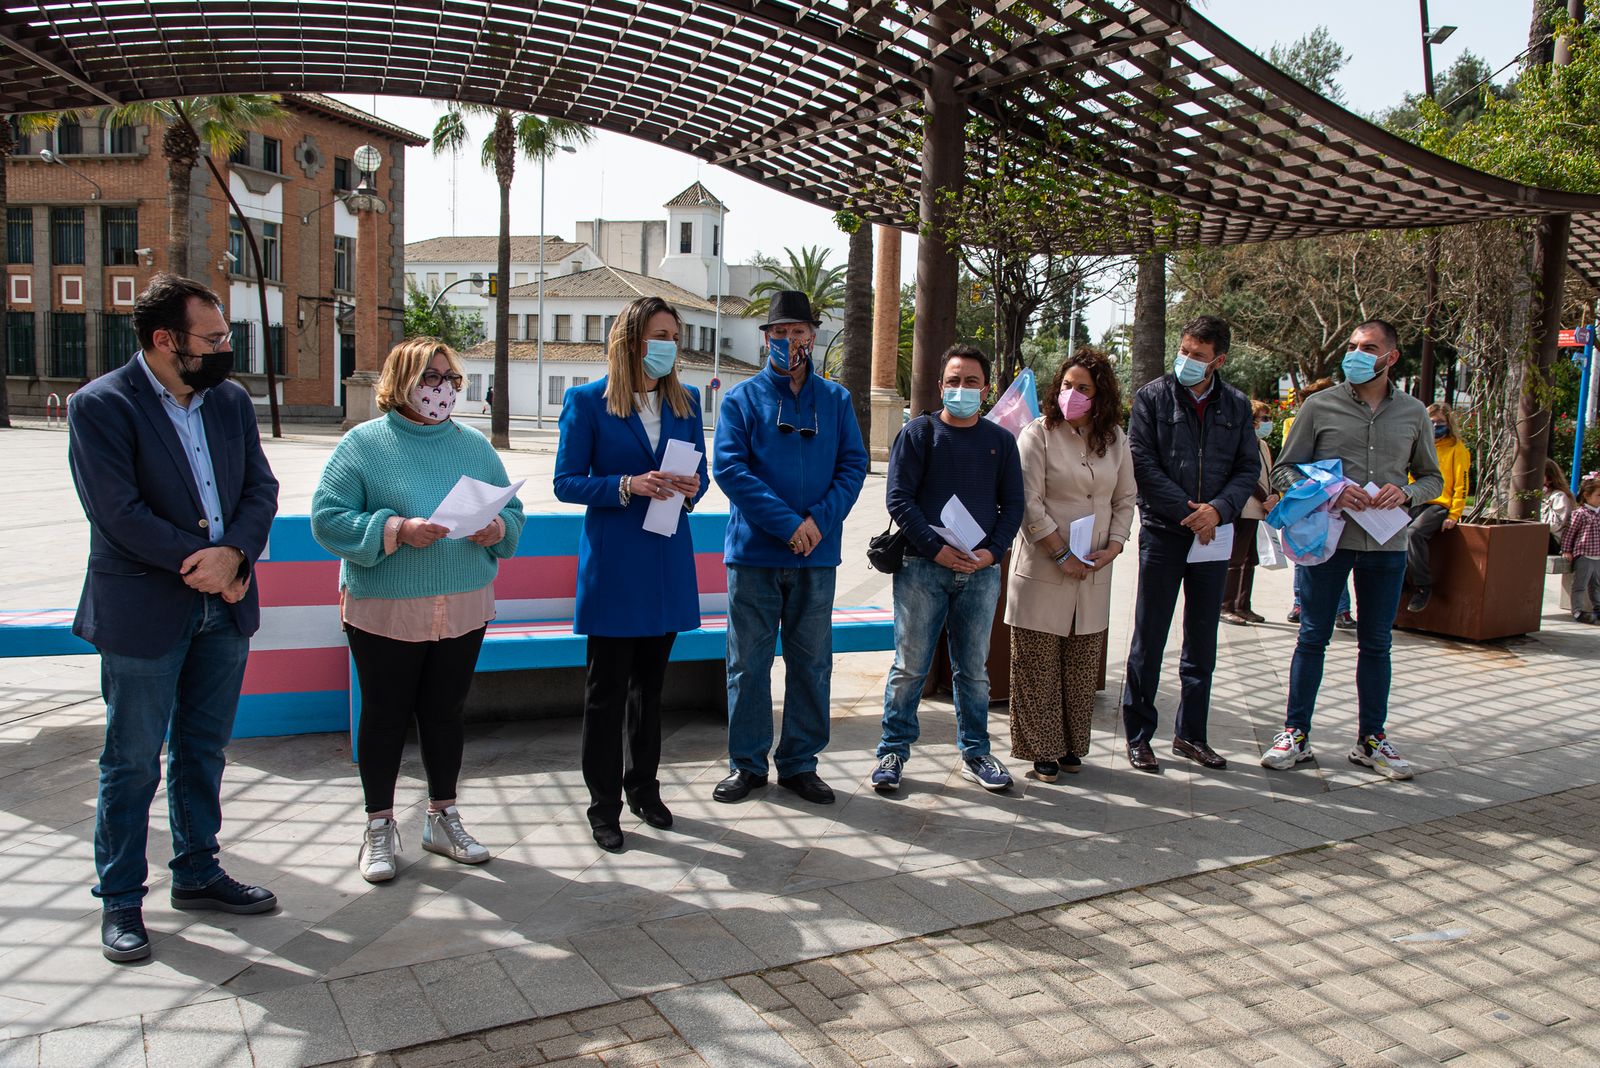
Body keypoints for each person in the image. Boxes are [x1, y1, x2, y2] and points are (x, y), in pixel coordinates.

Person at [67, 274, 281, 962]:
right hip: (146, 609)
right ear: (165, 341)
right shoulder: (100, 406)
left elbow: (260, 487)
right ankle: (121, 900)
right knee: (131, 762)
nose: (225, 350)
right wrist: (208, 562)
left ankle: (196, 871)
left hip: (224, 606)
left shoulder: (228, 403)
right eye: (213, 339)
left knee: (203, 750)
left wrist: (237, 554)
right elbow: (117, 514)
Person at [312, 338, 524, 882]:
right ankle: (379, 826)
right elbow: (328, 519)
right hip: (386, 606)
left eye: (450, 379)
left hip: (463, 601)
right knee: (384, 716)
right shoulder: (363, 444)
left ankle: (442, 817)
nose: (443, 389)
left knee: (445, 714)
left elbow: (513, 510)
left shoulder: (474, 446)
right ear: (402, 380)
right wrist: (396, 530)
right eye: (431, 378)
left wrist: (496, 528)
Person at [554, 297, 709, 851]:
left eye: (673, 334)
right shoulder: (587, 401)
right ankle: (604, 806)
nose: (668, 343)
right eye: (657, 333)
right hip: (616, 568)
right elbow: (566, 481)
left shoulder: (686, 400)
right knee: (607, 692)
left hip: (665, 564)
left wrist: (692, 488)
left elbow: (702, 475)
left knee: (651, 688)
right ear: (630, 340)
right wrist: (627, 485)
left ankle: (644, 787)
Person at [1261, 319, 1442, 781]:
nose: (1357, 353)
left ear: (1391, 357)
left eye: (1369, 347)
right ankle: (1295, 734)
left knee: (1377, 644)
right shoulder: (1319, 407)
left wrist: (1406, 494)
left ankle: (1371, 740)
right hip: (1328, 542)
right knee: (1312, 637)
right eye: (1354, 345)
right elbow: (1284, 472)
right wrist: (1331, 493)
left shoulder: (1414, 413)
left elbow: (1432, 479)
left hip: (1387, 544)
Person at [711, 291, 868, 804]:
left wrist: (817, 523)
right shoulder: (741, 400)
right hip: (755, 556)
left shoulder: (837, 401)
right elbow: (730, 469)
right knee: (747, 665)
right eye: (779, 333)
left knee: (812, 663)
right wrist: (785, 524)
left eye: (798, 332)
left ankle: (800, 762)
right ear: (766, 339)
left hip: (815, 557)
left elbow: (853, 466)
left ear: (813, 336)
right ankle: (747, 764)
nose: (789, 341)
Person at [871, 344, 1024, 793]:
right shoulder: (919, 434)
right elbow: (899, 498)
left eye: (971, 382)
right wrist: (935, 548)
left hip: (980, 572)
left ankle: (977, 751)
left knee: (973, 670)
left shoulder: (1001, 442)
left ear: (987, 388)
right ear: (940, 387)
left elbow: (1013, 503)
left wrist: (992, 553)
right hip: (923, 568)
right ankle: (892, 751)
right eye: (953, 381)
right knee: (910, 667)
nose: (962, 389)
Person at [1122, 316, 1259, 772]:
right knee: (1149, 637)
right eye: (1183, 351)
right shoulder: (1151, 397)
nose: (1186, 361)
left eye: (1197, 356)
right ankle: (1139, 736)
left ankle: (1191, 735)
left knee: (1202, 643)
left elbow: (1246, 469)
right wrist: (1190, 511)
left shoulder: (1237, 406)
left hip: (1214, 537)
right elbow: (1141, 462)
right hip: (1164, 532)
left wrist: (1218, 510)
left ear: (1218, 360)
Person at [1003, 348, 1135, 782]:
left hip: (1094, 567)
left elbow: (1125, 498)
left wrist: (1114, 546)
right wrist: (1060, 551)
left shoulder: (1115, 438)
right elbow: (1027, 501)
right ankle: (1041, 749)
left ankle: (1072, 744)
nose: (1072, 394)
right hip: (1045, 564)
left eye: (1083, 388)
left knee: (1080, 662)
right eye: (1066, 385)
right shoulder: (1037, 433)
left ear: (1101, 395)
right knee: (1038, 661)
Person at [1285, 379, 1353, 629]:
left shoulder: (1342, 423)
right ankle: (1300, 601)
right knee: (1304, 553)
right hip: (1308, 502)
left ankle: (1341, 609)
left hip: (1338, 507)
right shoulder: (1295, 424)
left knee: (1331, 554)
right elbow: (1290, 465)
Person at [1403, 402, 1469, 612]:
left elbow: (1462, 483)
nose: (1435, 426)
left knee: (1414, 533)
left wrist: (1455, 513)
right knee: (1392, 532)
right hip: (1416, 500)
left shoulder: (1457, 449)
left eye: (1440, 422)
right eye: (1431, 422)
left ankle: (1422, 587)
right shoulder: (1421, 445)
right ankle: (1400, 581)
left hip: (1439, 504)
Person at [1222, 400, 1281, 626]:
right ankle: (1226, 605)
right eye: (1263, 418)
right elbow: (1245, 475)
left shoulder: (1262, 444)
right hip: (1244, 506)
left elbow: (1270, 472)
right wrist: (1264, 497)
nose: (1267, 423)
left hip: (1261, 508)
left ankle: (1243, 604)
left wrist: (1275, 494)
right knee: (1235, 558)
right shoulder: (1239, 442)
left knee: (1250, 558)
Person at [1563, 473, 1600, 624]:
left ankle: (1598, 608)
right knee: (1580, 584)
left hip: (1598, 555)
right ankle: (1577, 611)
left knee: (1597, 585)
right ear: (1587, 495)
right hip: (1584, 554)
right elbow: (1570, 533)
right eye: (1598, 495)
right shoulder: (1580, 514)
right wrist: (1566, 550)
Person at [1543, 458, 1576, 555]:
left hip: (1552, 543)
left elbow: (1553, 525)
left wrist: (1542, 502)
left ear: (1549, 478)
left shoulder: (1558, 496)